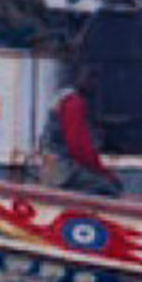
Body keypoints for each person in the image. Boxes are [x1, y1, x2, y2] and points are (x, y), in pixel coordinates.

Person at [39, 67, 122, 196]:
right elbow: (78, 147)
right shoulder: (73, 104)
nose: (94, 84)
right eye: (91, 78)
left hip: (52, 168)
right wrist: (103, 172)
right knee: (110, 187)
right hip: (64, 169)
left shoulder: (61, 99)